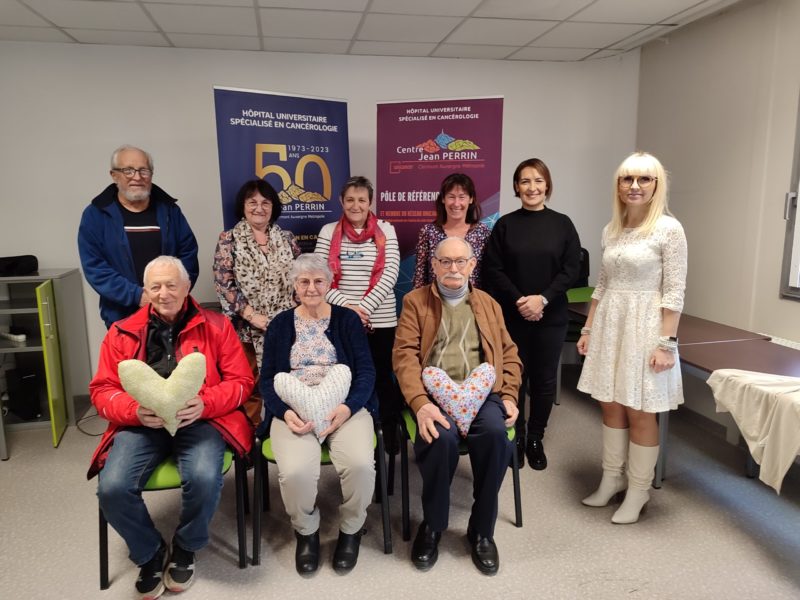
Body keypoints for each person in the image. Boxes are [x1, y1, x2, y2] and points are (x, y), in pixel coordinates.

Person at [87, 256, 254, 598]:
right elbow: (101, 390)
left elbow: (241, 381)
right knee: (112, 487)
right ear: (145, 291)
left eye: (171, 285)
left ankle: (186, 546)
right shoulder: (121, 332)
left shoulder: (218, 326)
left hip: (201, 419)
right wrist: (135, 411)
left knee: (205, 476)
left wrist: (205, 403)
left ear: (187, 287)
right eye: (155, 287)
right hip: (141, 424)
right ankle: (149, 552)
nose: (163, 294)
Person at [393, 237, 521, 576]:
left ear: (472, 265)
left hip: (482, 391)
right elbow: (404, 357)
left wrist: (508, 394)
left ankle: (481, 530)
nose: (453, 268)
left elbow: (509, 353)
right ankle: (433, 526)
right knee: (441, 438)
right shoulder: (414, 302)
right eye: (445, 262)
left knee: (496, 434)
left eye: (460, 261)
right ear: (433, 265)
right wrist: (419, 404)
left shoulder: (489, 304)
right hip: (435, 393)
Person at [577, 152, 688, 524]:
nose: (635, 186)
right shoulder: (612, 229)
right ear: (619, 185)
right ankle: (612, 479)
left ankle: (638, 491)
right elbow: (602, 285)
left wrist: (666, 344)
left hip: (646, 326)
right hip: (611, 322)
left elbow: (674, 290)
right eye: (627, 179)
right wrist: (588, 329)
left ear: (657, 184)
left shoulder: (669, 229)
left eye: (644, 179)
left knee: (641, 408)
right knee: (609, 403)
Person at [260, 253, 377, 575]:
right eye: (303, 281)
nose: (311, 288)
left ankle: (351, 531)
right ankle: (307, 533)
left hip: (344, 406)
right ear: (294, 285)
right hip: (295, 409)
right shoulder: (281, 324)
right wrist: (284, 413)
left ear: (329, 283)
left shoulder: (347, 320)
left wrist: (348, 407)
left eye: (318, 281)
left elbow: (366, 371)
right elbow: (267, 378)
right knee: (295, 472)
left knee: (360, 465)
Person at [482, 158, 581, 470]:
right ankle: (517, 434)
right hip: (513, 315)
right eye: (525, 181)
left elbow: (571, 269)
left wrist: (543, 299)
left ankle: (536, 437)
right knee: (514, 377)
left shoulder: (562, 223)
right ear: (516, 187)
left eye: (538, 180)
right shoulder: (505, 225)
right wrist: (521, 301)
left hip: (551, 316)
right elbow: (492, 269)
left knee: (544, 379)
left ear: (547, 185)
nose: (532, 187)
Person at [314, 176, 402, 448]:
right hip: (340, 318)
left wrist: (363, 309)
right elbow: (320, 275)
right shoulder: (329, 231)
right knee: (346, 377)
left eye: (361, 200)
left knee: (383, 376)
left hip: (381, 318)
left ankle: (389, 435)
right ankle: (353, 437)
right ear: (341, 201)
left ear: (370, 202)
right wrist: (349, 310)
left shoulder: (386, 230)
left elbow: (391, 273)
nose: (356, 205)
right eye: (350, 199)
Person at [78, 145, 199, 328]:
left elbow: (188, 256)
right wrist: (137, 295)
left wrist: (169, 295)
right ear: (114, 175)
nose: (137, 177)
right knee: (130, 358)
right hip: (121, 317)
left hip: (170, 314)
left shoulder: (170, 211)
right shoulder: (95, 215)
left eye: (144, 170)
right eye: (128, 170)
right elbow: (95, 267)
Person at [213, 179, 301, 425]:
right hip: (246, 329)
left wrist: (290, 317)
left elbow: (300, 279)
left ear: (273, 207)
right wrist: (253, 316)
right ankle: (250, 441)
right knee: (249, 386)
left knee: (286, 380)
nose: (259, 207)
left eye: (265, 202)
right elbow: (223, 283)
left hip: (286, 326)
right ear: (242, 206)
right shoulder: (229, 239)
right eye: (252, 202)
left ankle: (285, 432)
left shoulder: (287, 238)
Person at [412, 173, 492, 289]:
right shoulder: (428, 232)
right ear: (443, 199)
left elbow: (489, 275)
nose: (456, 203)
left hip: (473, 302)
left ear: (471, 199)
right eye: (451, 197)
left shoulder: (483, 232)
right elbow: (419, 276)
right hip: (435, 302)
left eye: (462, 197)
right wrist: (419, 305)